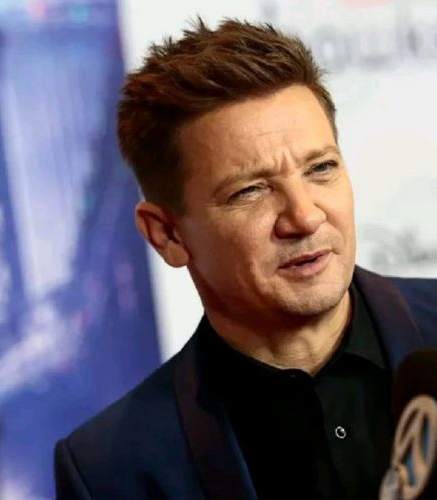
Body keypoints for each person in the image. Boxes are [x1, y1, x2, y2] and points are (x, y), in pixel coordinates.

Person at [54, 18, 437, 499]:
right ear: (167, 234)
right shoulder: (111, 469)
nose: (304, 216)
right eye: (250, 191)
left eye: (320, 168)